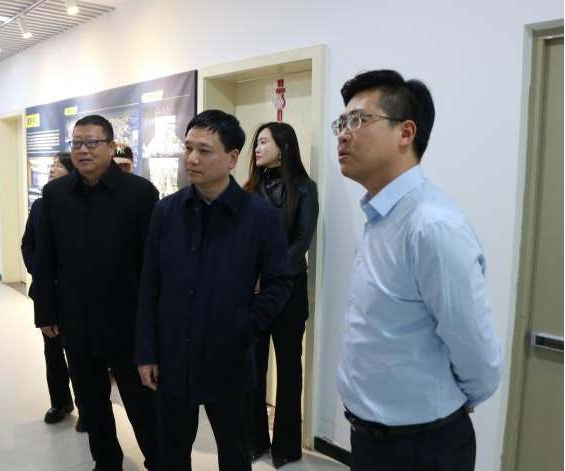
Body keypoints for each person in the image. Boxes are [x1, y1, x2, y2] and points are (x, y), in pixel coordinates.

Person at [334, 70, 504, 471]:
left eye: (357, 120)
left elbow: (475, 347)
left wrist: (460, 398)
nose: (343, 135)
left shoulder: (430, 225)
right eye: (340, 124)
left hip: (420, 447)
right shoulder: (381, 215)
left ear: (405, 132)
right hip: (372, 439)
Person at [135, 109, 292, 471]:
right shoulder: (166, 212)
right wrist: (146, 351)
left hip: (229, 357)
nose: (191, 158)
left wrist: (245, 325)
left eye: (204, 150)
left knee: (234, 452)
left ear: (232, 158)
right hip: (172, 356)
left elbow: (280, 282)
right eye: (188, 148)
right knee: (171, 454)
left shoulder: (260, 217)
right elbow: (149, 285)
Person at [32, 114, 159, 471]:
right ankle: (106, 462)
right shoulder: (55, 194)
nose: (83, 150)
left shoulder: (139, 193)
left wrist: (154, 324)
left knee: (143, 406)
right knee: (91, 404)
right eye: (76, 144)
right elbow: (46, 258)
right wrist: (46, 312)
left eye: (91, 143)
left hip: (127, 323)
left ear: (110, 146)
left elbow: (154, 264)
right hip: (77, 320)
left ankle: (159, 461)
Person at [244, 122, 318, 468]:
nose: (257, 149)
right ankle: (254, 439)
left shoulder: (305, 188)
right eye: (256, 143)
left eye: (263, 142)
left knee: (289, 369)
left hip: (288, 289)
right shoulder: (249, 189)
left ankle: (286, 447)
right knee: (253, 367)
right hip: (254, 292)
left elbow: (302, 241)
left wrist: (269, 274)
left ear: (284, 147)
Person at [21, 152, 85, 431]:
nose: (51, 170)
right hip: (47, 292)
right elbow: (28, 243)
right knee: (52, 351)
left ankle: (88, 407)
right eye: (52, 165)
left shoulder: (81, 205)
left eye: (58, 166)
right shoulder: (39, 206)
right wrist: (40, 270)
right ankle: (60, 402)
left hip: (75, 293)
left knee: (80, 353)